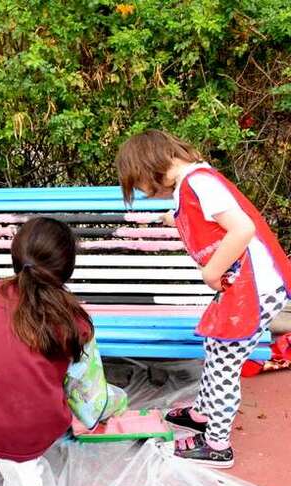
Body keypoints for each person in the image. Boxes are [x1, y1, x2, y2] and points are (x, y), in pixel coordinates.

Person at [116, 129, 291, 468]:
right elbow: (195, 217)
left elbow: (242, 229)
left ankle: (217, 444)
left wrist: (211, 272)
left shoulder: (199, 183)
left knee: (225, 362)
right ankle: (203, 414)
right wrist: (171, 218)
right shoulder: (190, 185)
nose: (143, 191)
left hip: (253, 289)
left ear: (150, 164)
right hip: (241, 288)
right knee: (216, 346)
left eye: (139, 183)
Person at [0, 217, 93, 486]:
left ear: (15, 257)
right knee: (24, 467)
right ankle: (20, 471)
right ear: (67, 267)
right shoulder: (73, 318)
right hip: (35, 431)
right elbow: (81, 377)